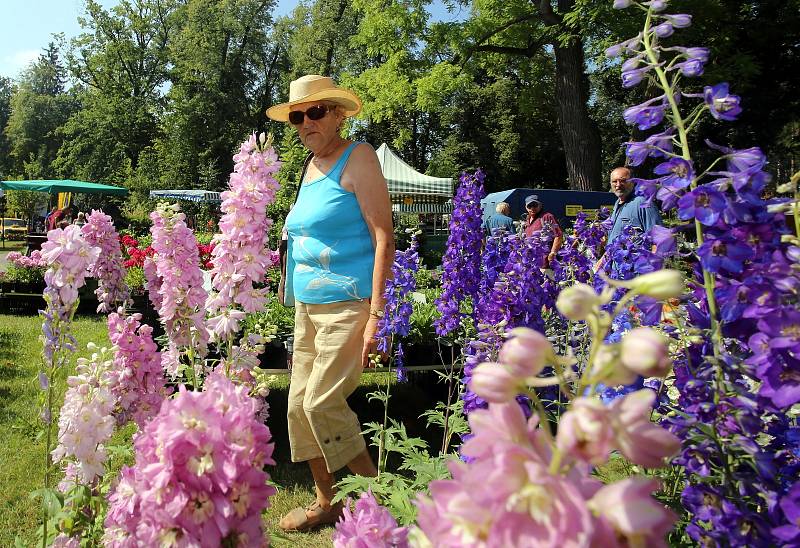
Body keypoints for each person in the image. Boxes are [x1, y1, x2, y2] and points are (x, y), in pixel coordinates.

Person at [267, 74, 394, 532]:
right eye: (298, 116)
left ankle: (384, 501)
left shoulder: (357, 157)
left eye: (316, 111)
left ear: (339, 114)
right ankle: (327, 502)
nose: (305, 122)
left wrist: (378, 315)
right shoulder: (308, 168)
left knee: (322, 403)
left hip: (348, 305)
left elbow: (384, 237)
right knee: (298, 407)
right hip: (308, 309)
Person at [595, 167, 662, 270]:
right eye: (614, 181)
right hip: (617, 274)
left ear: (632, 182)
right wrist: (603, 260)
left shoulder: (642, 203)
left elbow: (658, 240)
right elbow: (615, 241)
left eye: (623, 181)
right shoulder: (618, 204)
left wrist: (653, 270)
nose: (618, 185)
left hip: (636, 273)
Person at [524, 194, 563, 267]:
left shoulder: (547, 216)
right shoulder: (527, 220)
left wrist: (553, 253)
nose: (532, 208)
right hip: (532, 263)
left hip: (546, 262)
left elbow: (558, 235)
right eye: (529, 206)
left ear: (540, 205)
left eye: (535, 205)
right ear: (526, 207)